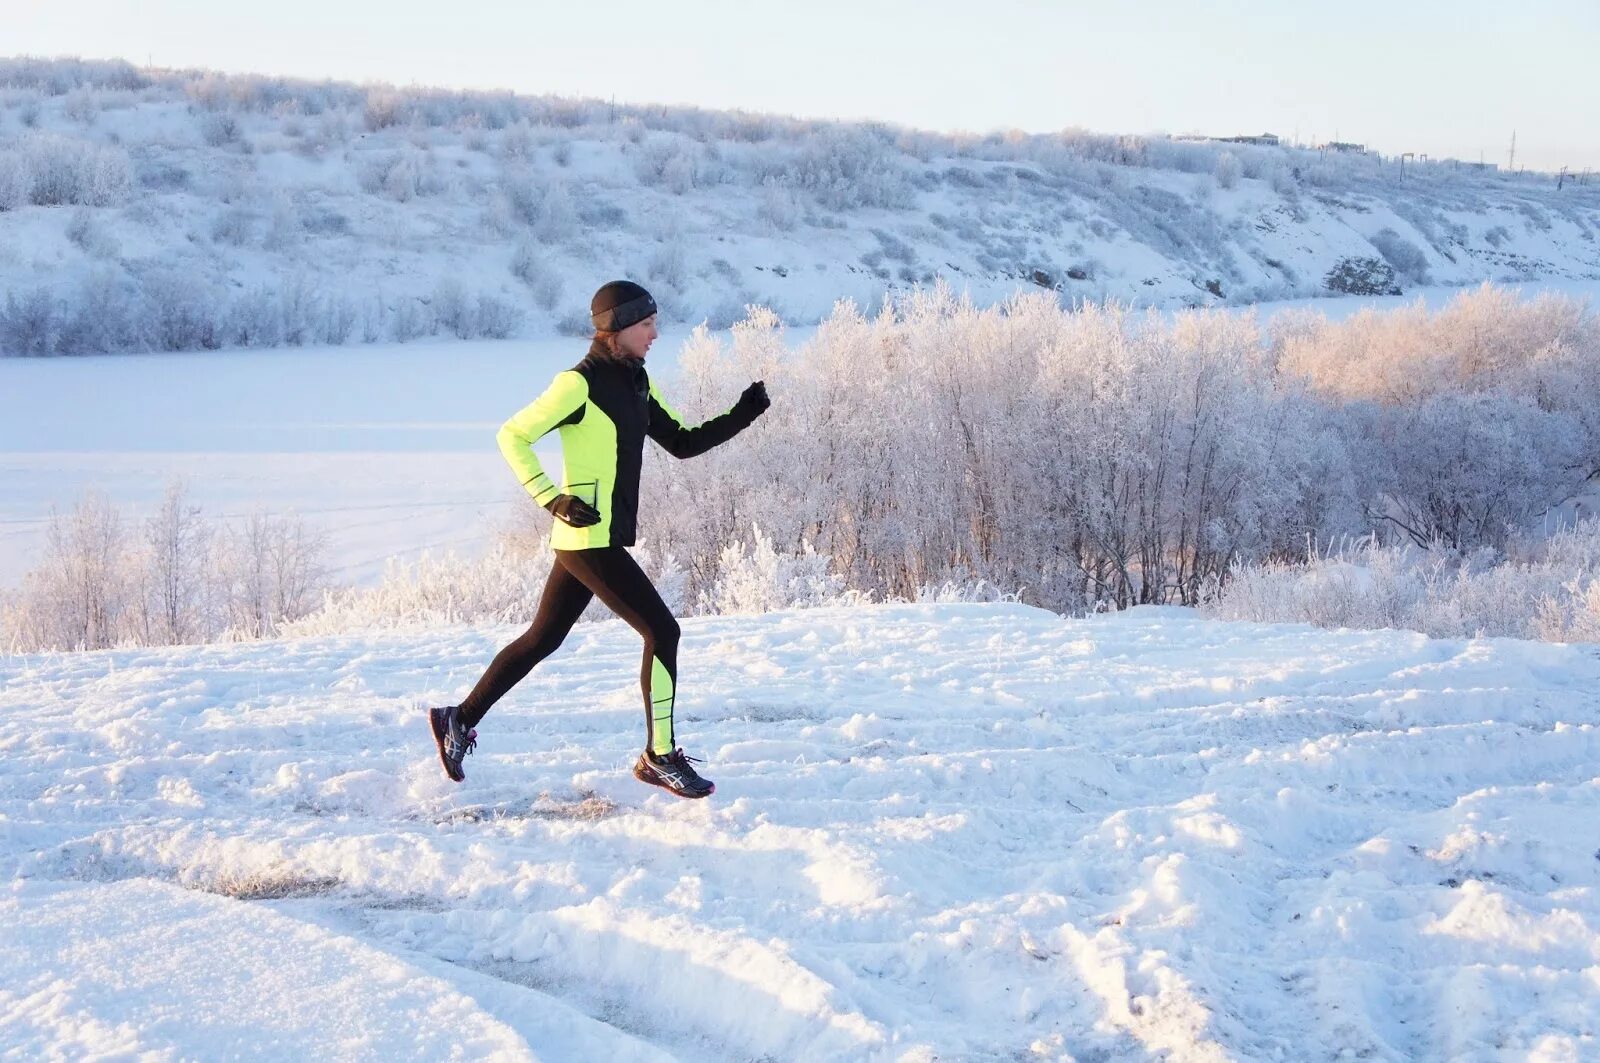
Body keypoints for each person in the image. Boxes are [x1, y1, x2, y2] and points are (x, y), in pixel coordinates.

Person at [429, 281, 770, 798]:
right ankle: (659, 755)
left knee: (543, 639)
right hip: (586, 536)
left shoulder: (635, 381)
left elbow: (681, 442)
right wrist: (551, 497)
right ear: (618, 327)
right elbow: (512, 435)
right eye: (647, 324)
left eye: (655, 322)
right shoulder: (578, 384)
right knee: (664, 632)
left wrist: (741, 414)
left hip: (596, 537)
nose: (656, 333)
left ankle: (459, 717)